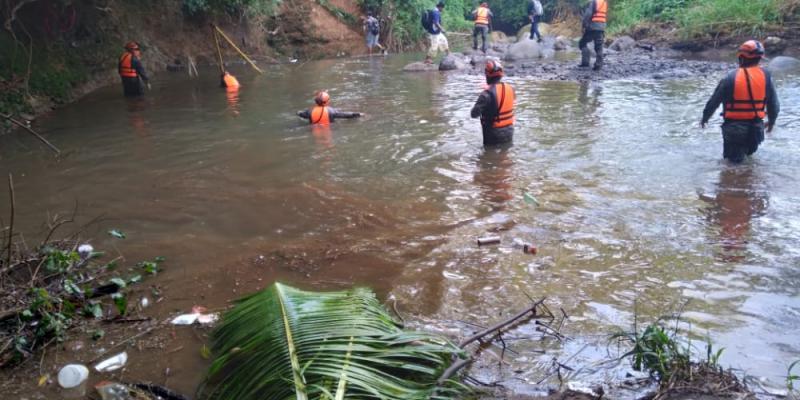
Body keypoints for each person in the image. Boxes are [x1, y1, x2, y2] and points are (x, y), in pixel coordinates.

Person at [701, 40, 780, 164]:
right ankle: (749, 182)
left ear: (741, 57)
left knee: (732, 164)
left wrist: (705, 118)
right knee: (748, 160)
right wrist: (771, 123)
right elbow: (774, 105)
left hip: (734, 129)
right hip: (756, 128)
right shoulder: (766, 77)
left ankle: (734, 182)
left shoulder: (730, 77)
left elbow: (714, 102)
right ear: (760, 58)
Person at [471, 60, 515, 146]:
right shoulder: (510, 88)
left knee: (489, 156)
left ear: (488, 75)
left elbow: (474, 114)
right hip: (509, 131)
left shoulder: (486, 95)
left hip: (493, 134)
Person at [297, 91, 363, 125]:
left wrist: (298, 112)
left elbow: (300, 114)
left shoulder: (310, 111)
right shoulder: (331, 111)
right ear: (327, 102)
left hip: (314, 130)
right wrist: (358, 114)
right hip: (329, 129)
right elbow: (346, 115)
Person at [578, 0, 607, 71]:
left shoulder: (594, 2)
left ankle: (585, 62)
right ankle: (598, 65)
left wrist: (583, 25)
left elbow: (587, 15)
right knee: (599, 47)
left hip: (592, 28)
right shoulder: (604, 3)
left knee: (582, 43)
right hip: (601, 28)